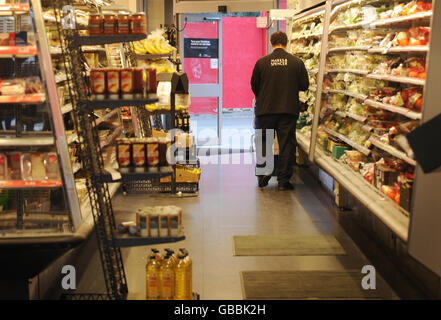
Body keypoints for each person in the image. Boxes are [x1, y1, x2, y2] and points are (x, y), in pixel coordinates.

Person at [251, 31, 309, 191]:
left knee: (264, 142)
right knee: (286, 145)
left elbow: (254, 86)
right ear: (287, 43)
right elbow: (304, 85)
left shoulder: (261, 62)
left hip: (266, 109)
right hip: (288, 110)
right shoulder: (296, 62)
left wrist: (265, 95)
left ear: (271, 43)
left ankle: (263, 175)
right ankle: (283, 181)